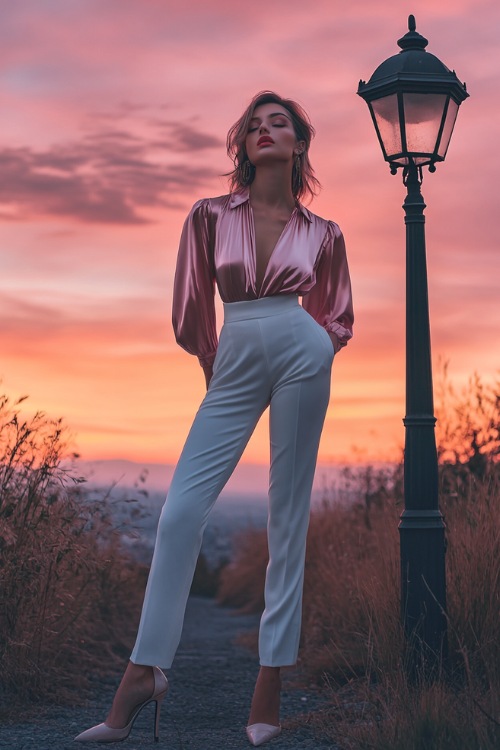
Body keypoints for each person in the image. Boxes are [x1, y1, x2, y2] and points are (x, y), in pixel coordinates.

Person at [75, 90, 354, 747]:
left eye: (278, 122)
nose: (265, 130)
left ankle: (270, 683)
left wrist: (314, 348)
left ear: (299, 143)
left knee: (287, 517)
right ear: (242, 146)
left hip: (300, 346)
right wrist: (212, 364)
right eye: (254, 125)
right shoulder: (208, 215)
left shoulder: (325, 233)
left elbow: (336, 313)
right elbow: (190, 304)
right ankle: (144, 671)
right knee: (179, 514)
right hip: (235, 347)